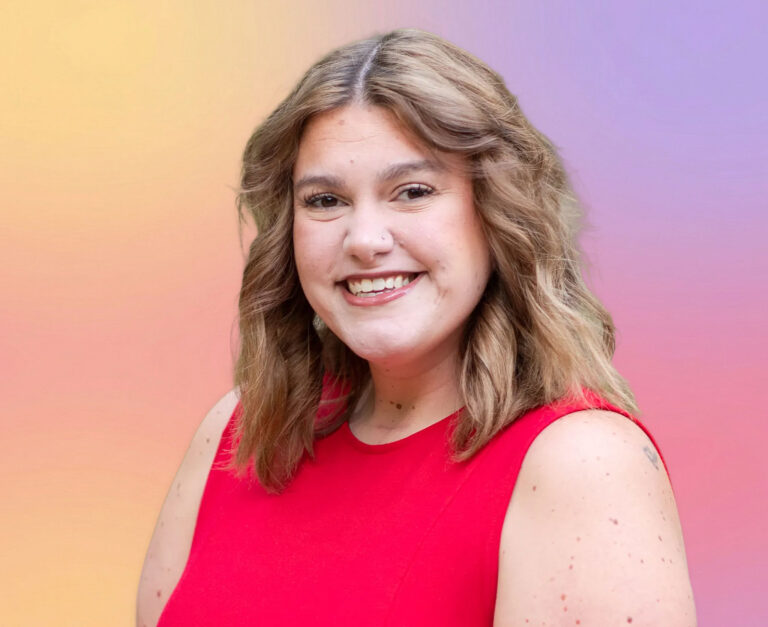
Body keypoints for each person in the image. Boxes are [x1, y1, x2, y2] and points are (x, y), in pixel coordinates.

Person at [137, 28, 696, 626]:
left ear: (496, 211)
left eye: (412, 191)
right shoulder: (238, 435)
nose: (365, 240)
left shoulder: (581, 463)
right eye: (325, 200)